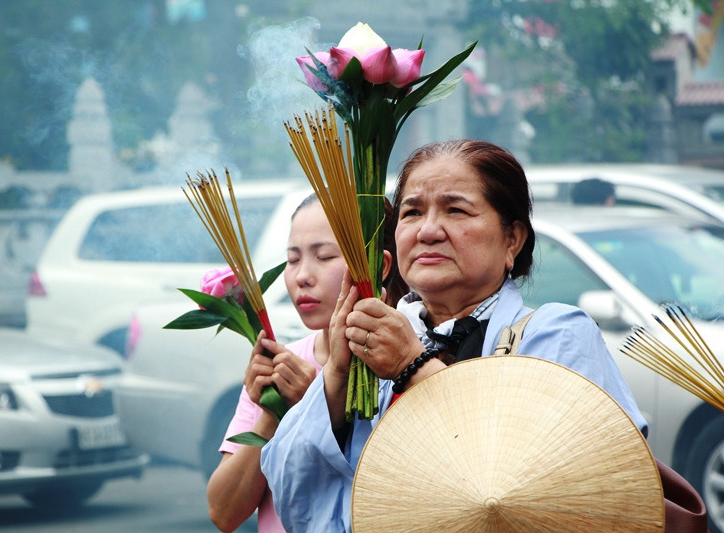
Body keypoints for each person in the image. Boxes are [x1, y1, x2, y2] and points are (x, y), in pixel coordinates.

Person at [260, 140, 647, 532]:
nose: (428, 231)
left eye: (456, 209)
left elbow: (561, 490)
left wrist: (413, 366)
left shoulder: (555, 338)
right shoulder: (371, 358)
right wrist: (336, 377)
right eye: (412, 212)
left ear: (512, 239)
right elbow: (297, 501)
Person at [206, 193, 405, 532]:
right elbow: (224, 513)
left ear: (379, 266)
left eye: (324, 256)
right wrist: (273, 415)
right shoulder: (281, 367)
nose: (302, 276)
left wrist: (313, 406)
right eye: (293, 259)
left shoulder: (405, 367)